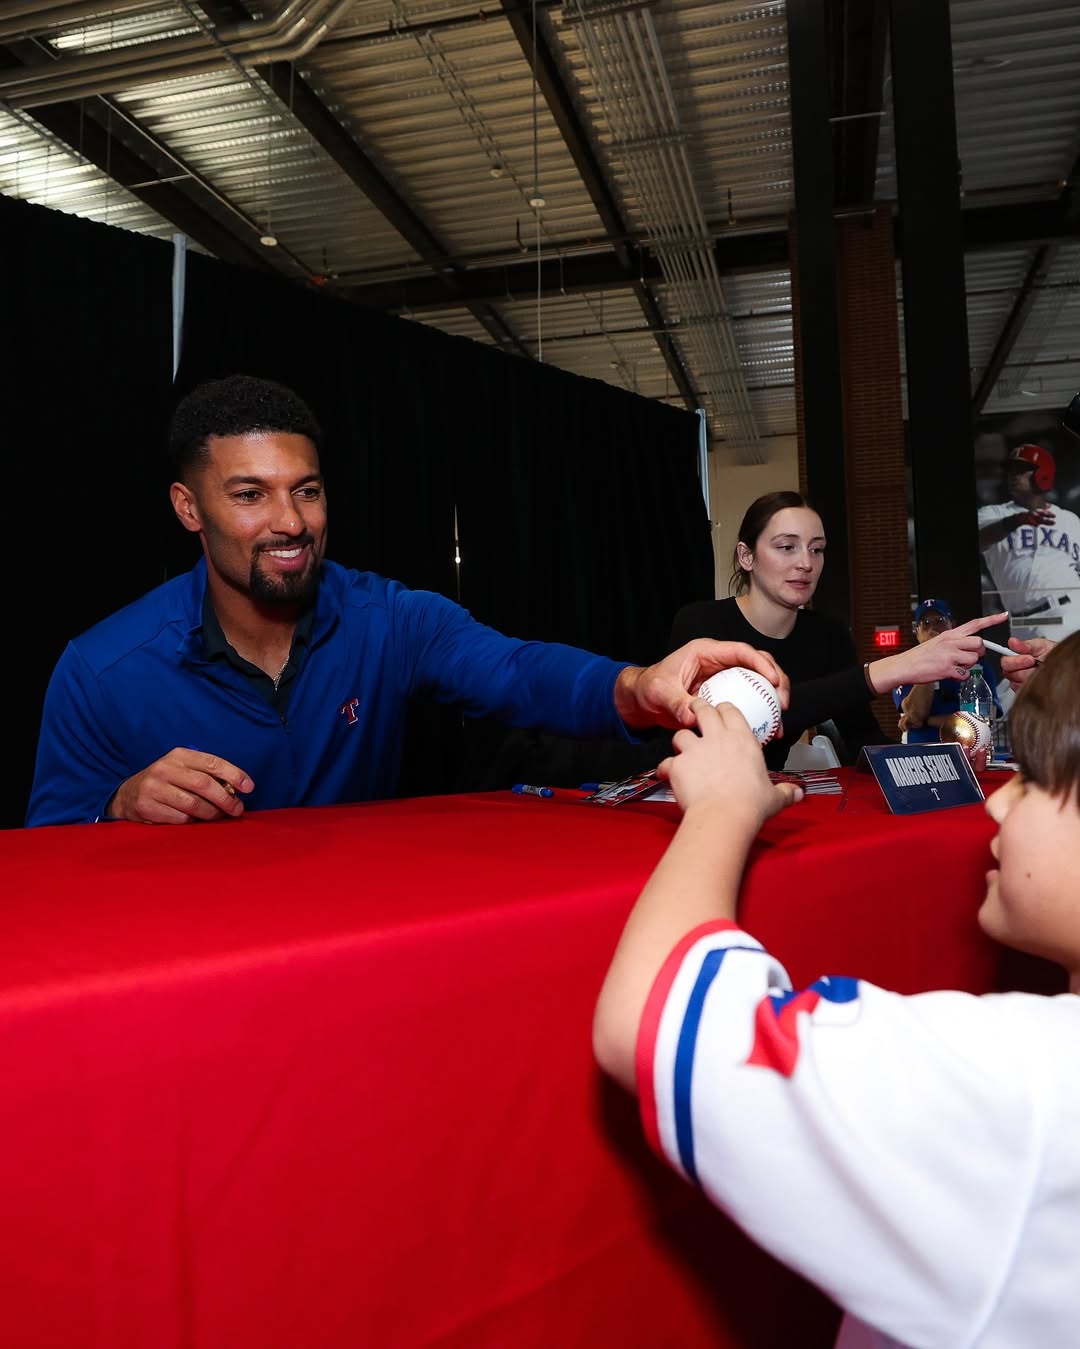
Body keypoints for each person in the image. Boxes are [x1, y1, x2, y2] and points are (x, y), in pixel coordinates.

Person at [593, 632, 1080, 1349]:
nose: (1000, 807)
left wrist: (720, 809)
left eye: (1034, 779)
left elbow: (647, 1021)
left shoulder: (1024, 1093)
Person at [25, 375, 790, 827]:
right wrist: (117, 808)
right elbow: (48, 860)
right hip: (195, 980)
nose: (290, 522)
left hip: (358, 949)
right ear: (189, 509)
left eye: (308, 491)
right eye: (250, 495)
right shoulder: (101, 669)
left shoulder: (388, 619)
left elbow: (517, 671)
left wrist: (638, 685)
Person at [668, 491, 1006, 770]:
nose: (806, 562)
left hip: (764, 797)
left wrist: (945, 762)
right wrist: (890, 669)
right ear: (747, 556)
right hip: (680, 791)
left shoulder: (827, 636)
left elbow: (862, 741)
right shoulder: (701, 625)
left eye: (816, 549)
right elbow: (755, 713)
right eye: (787, 547)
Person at [977, 442, 1080, 643]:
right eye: (1010, 471)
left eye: (1021, 470)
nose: (1013, 476)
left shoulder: (1069, 520)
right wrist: (1014, 522)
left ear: (1043, 475)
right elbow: (978, 540)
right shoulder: (994, 514)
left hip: (1067, 612)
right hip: (1020, 622)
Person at [893, 597, 1000, 743]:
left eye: (940, 620)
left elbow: (982, 721)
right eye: (925, 623)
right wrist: (931, 660)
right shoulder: (905, 669)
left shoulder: (978, 668)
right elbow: (915, 714)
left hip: (967, 752)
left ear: (953, 626)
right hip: (919, 754)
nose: (933, 628)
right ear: (917, 633)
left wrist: (927, 721)